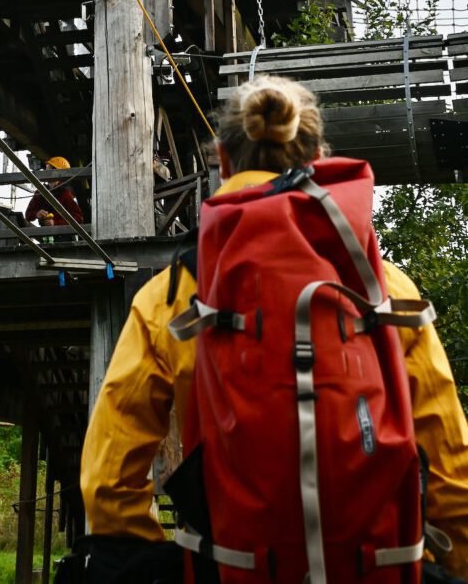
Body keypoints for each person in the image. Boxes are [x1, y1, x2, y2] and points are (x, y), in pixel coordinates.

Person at [79, 76, 468, 583]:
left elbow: (110, 482)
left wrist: (171, 561)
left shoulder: (173, 292)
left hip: (233, 570)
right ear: (316, 158)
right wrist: (447, 563)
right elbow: (450, 465)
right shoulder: (382, 285)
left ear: (222, 160)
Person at [25, 155, 84, 231]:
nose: (46, 173)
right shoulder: (40, 192)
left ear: (58, 173)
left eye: (49, 170)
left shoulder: (65, 194)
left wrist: (55, 222)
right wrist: (37, 213)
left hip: (63, 235)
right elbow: (28, 215)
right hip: (46, 234)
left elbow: (79, 218)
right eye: (46, 170)